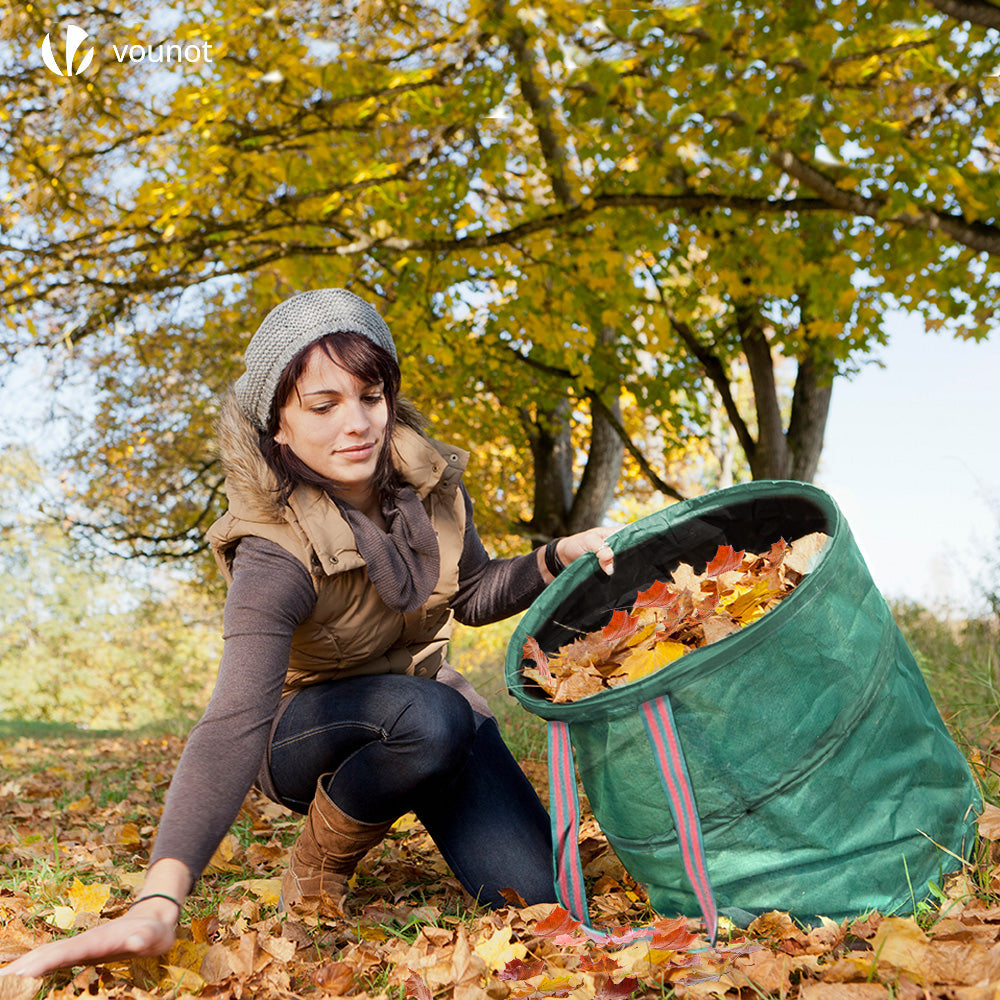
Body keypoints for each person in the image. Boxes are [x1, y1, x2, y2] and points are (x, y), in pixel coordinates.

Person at [1, 288, 615, 979]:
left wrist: (557, 556)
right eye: (323, 406)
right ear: (280, 427)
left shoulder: (433, 486)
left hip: (420, 712)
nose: (356, 424)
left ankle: (421, 771)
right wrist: (158, 897)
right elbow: (233, 721)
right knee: (434, 714)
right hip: (300, 732)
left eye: (371, 397)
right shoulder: (272, 551)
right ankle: (319, 859)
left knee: (541, 899)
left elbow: (470, 592)